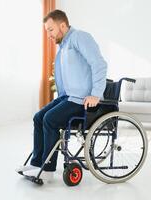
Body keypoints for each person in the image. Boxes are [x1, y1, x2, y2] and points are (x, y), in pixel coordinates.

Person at [16, 9, 107, 180]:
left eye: (50, 29)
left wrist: (96, 94)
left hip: (82, 100)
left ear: (63, 25)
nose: (48, 34)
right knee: (38, 117)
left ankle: (48, 170)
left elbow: (99, 64)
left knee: (50, 120)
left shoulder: (80, 37)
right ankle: (37, 164)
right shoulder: (64, 45)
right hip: (68, 97)